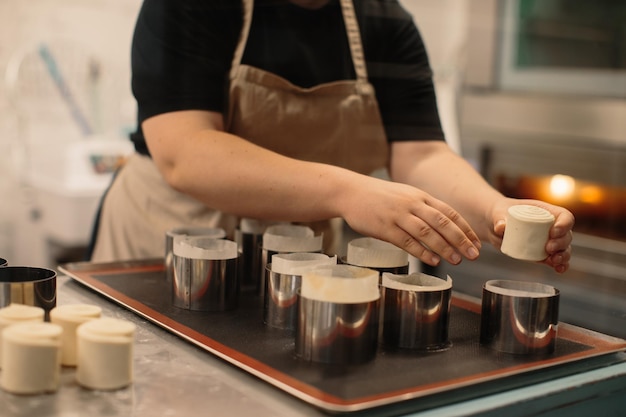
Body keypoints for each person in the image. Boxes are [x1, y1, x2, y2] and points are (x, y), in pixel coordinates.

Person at [90, 0, 574, 274]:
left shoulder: (385, 24)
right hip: (169, 248)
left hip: (299, 260)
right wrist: (347, 190)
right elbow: (185, 152)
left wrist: (493, 210)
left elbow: (421, 153)